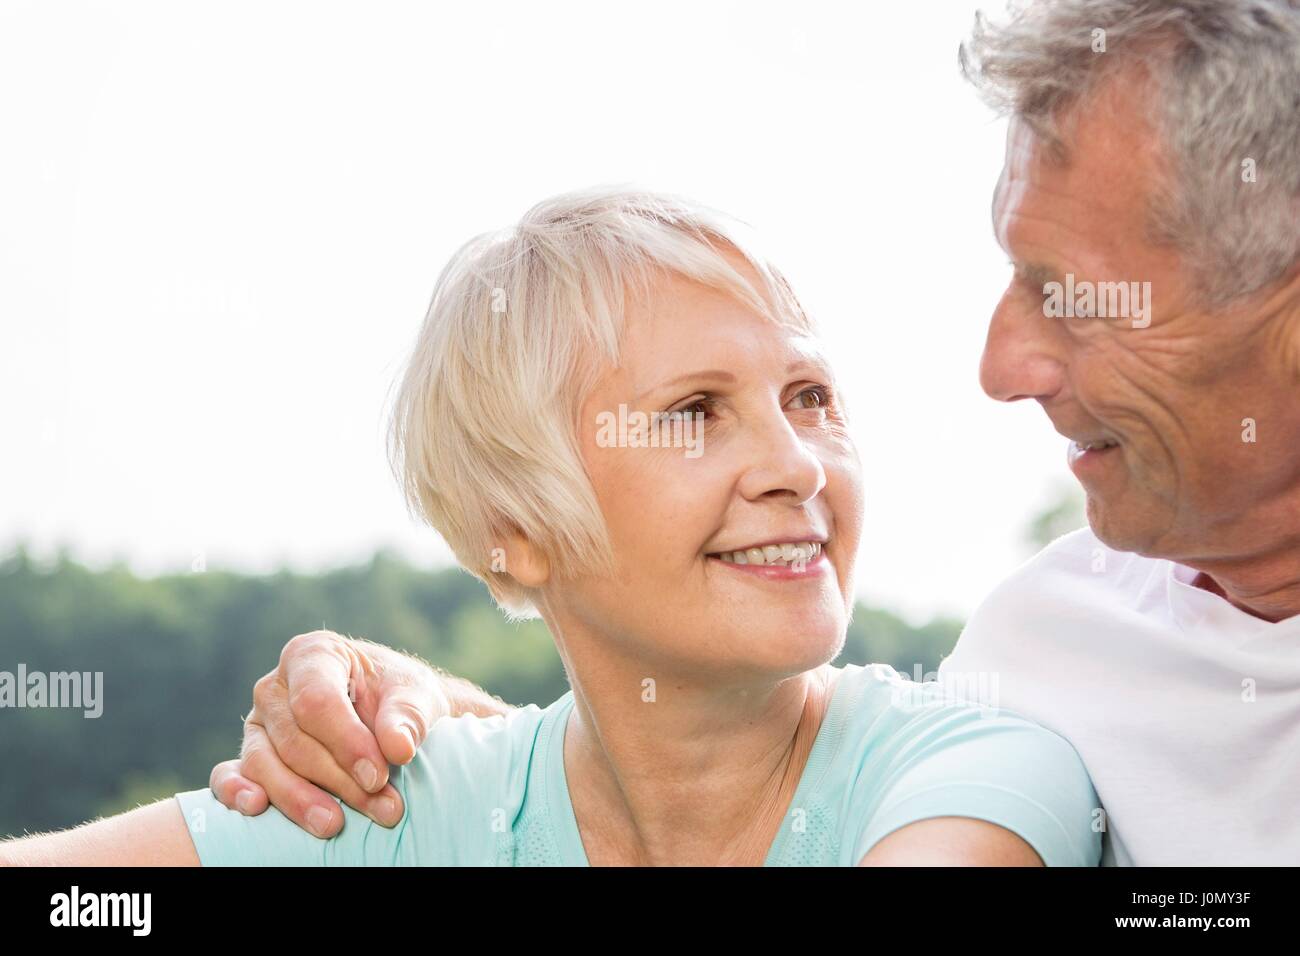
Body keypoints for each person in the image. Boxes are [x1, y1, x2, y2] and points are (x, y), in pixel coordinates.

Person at [209, 0, 1300, 866]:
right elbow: (677, 773)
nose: (1000, 366)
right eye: (693, 411)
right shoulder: (1045, 650)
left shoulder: (989, 748)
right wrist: (445, 748)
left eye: (1067, 293)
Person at [0, 188, 1100, 867]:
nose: (796, 462)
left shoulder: (974, 767)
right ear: (514, 531)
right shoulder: (403, 801)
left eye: (808, 395)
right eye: (692, 413)